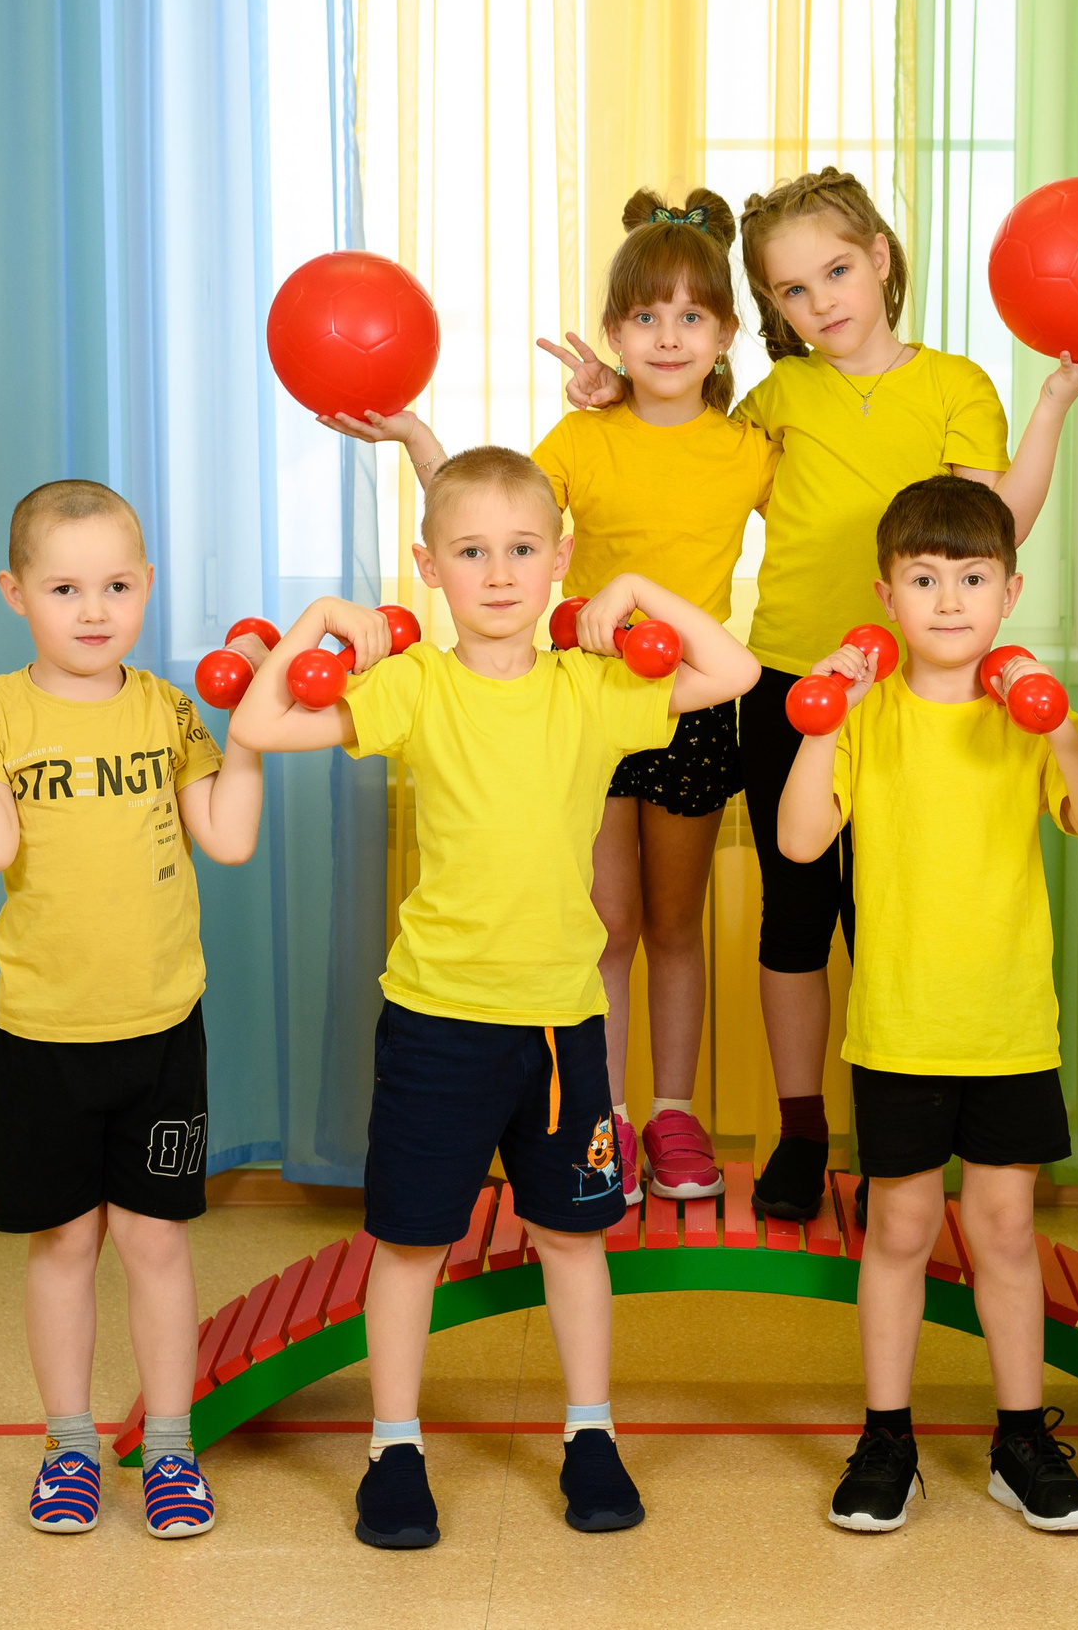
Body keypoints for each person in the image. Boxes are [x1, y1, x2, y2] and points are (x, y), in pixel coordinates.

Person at [558, 167, 1078, 1222]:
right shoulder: (778, 400)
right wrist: (613, 394)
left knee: (889, 918)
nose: (821, 300)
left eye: (835, 271)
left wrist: (1052, 401)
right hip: (791, 681)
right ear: (769, 312)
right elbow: (681, 429)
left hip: (914, 692)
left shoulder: (957, 384)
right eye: (791, 290)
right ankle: (799, 1129)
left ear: (878, 257)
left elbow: (992, 520)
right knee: (795, 912)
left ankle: (891, 1147)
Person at [226, 446, 760, 1549]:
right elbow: (264, 725)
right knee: (412, 1242)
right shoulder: (416, 685)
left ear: (557, 559)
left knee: (573, 1238)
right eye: (471, 552)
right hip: (436, 1019)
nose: (501, 572)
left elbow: (736, 671)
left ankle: (589, 1429)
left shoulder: (592, 687)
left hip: (563, 1027)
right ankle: (394, 1444)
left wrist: (633, 593)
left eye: (524, 550)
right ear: (430, 566)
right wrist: (324, 614)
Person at [332, 188, 773, 1208]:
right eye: (645, 317)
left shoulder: (752, 447)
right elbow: (489, 520)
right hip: (584, 700)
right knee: (603, 920)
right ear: (615, 332)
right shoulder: (579, 439)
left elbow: (832, 519)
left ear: (724, 334)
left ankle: (674, 1111)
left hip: (690, 702)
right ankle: (603, 1112)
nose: (668, 336)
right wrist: (417, 441)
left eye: (691, 316)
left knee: (675, 922)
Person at [774, 476, 1078, 1535]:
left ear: (1008, 591)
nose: (946, 600)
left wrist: (1062, 728)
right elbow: (800, 840)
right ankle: (887, 1435)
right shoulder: (869, 717)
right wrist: (818, 715)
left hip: (1009, 1027)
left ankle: (1019, 1437)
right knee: (898, 1225)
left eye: (971, 578)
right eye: (923, 579)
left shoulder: (1023, 717)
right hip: (900, 1027)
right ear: (886, 593)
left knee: (1006, 1227)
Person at [0, 479, 267, 1539]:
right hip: (46, 1034)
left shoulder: (165, 706)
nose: (93, 607)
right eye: (65, 586)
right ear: (15, 593)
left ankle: (168, 1447)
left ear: (147, 585)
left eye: (116, 583)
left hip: (162, 1027)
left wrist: (245, 732)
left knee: (156, 1244)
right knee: (64, 1243)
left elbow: (230, 836)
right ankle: (70, 1444)